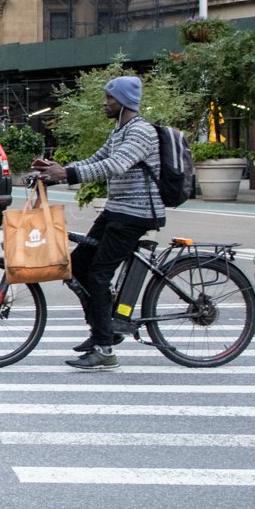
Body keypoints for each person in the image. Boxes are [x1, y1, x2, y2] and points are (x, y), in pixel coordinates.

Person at [32, 75, 164, 371]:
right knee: (77, 265)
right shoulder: (120, 131)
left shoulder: (141, 132)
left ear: (125, 102)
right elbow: (95, 159)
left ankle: (105, 348)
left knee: (100, 274)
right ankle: (102, 330)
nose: (105, 103)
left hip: (136, 213)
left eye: (110, 98)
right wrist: (54, 172)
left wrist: (67, 175)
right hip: (117, 210)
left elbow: (114, 166)